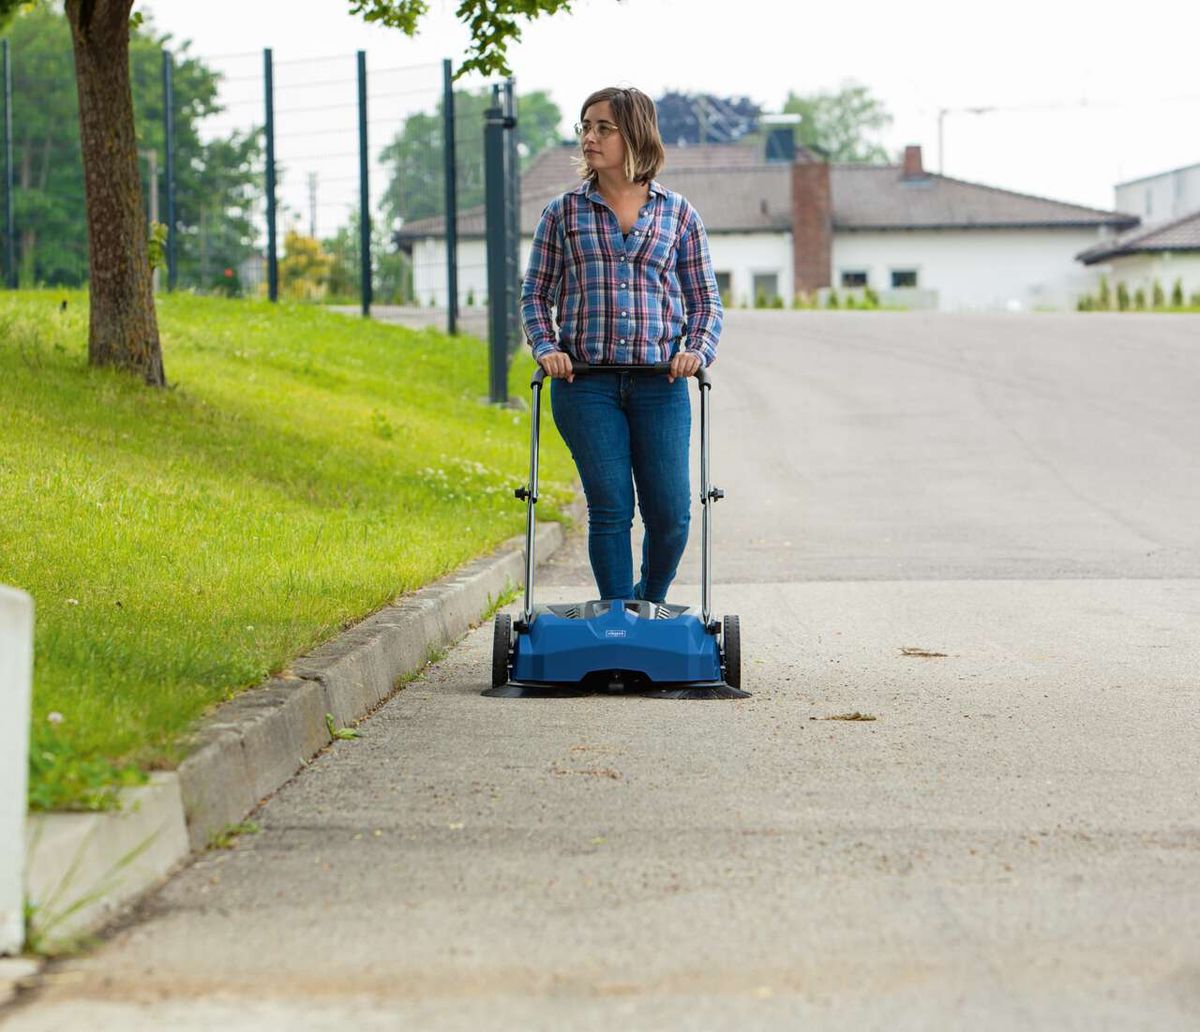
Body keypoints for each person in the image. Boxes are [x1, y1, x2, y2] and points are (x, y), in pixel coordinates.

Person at [520, 86, 723, 604]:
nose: (589, 137)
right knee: (610, 506)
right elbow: (535, 295)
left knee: (671, 513)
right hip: (585, 384)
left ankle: (647, 606)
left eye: (602, 127)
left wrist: (695, 350)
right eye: (584, 127)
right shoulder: (562, 214)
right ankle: (615, 620)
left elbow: (706, 303)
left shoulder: (679, 215)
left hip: (661, 383)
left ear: (634, 133)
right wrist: (546, 347)